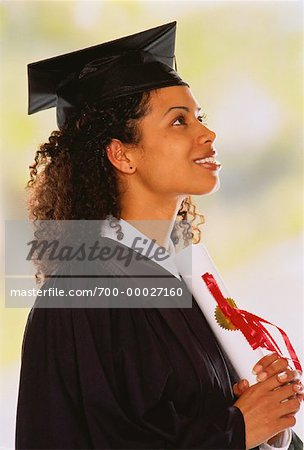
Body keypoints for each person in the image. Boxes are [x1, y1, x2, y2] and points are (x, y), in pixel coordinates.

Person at [16, 22, 303, 449]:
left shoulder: (180, 274)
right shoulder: (83, 291)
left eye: (199, 117)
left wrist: (268, 421)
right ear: (123, 154)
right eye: (179, 122)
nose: (208, 134)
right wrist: (236, 430)